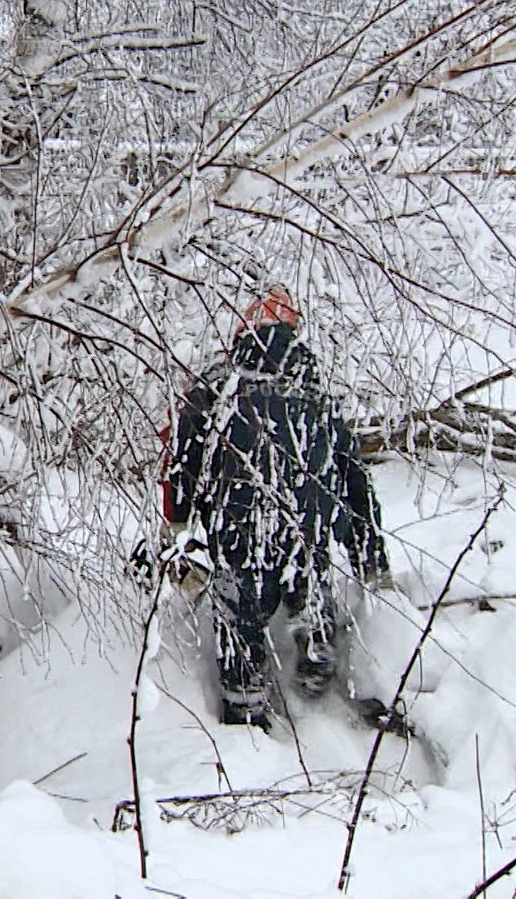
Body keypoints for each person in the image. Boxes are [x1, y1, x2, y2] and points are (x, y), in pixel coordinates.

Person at [163, 287, 387, 728]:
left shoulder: (217, 385)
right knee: (309, 583)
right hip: (307, 524)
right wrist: (369, 554)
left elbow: (183, 457)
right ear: (293, 333)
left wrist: (180, 525)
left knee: (240, 610)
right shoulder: (317, 394)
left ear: (244, 330)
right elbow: (354, 476)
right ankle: (316, 662)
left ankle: (245, 706)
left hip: (240, 521)